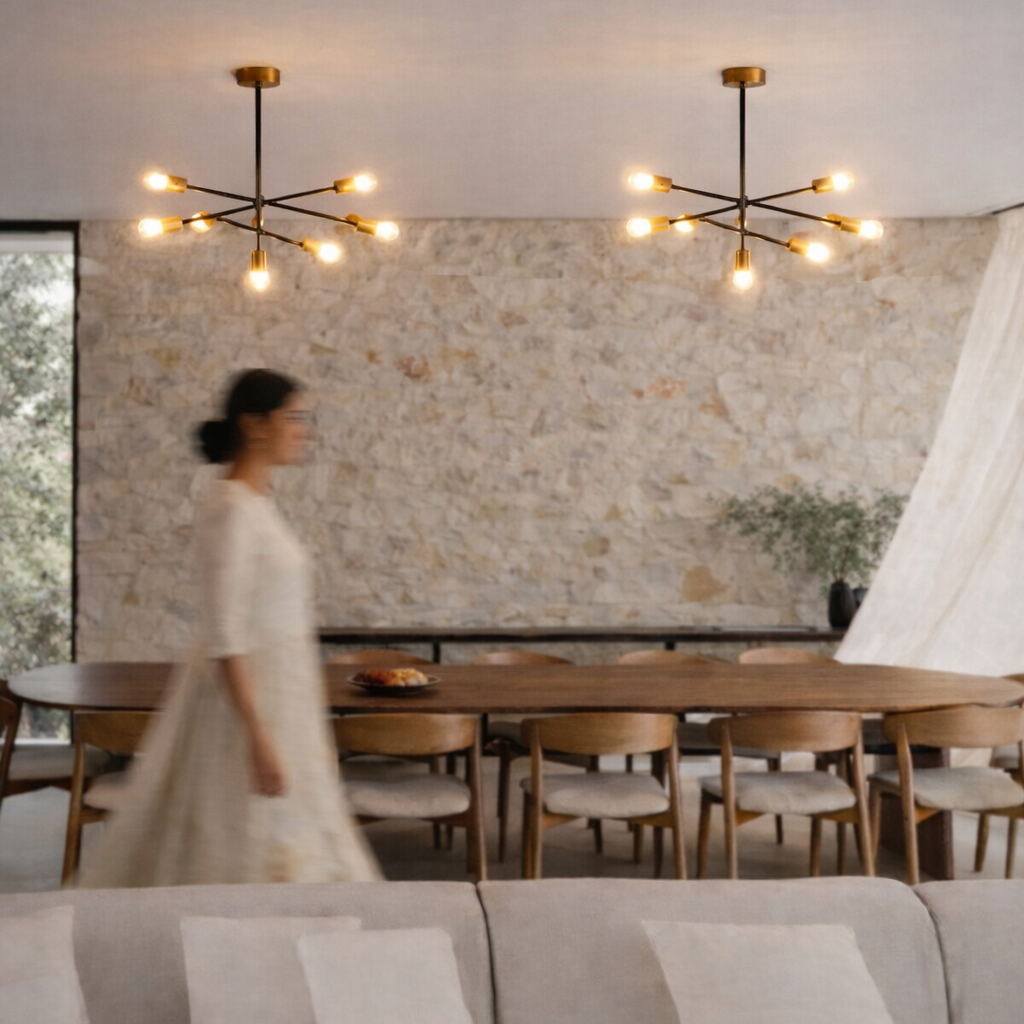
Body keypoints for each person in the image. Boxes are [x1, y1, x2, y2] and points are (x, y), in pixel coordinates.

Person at [76, 369, 381, 886]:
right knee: (245, 850)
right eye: (294, 418)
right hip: (245, 710)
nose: (304, 430)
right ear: (254, 425)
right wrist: (258, 735)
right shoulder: (231, 508)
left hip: (284, 699)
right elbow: (224, 633)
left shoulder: (257, 503)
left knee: (290, 846)